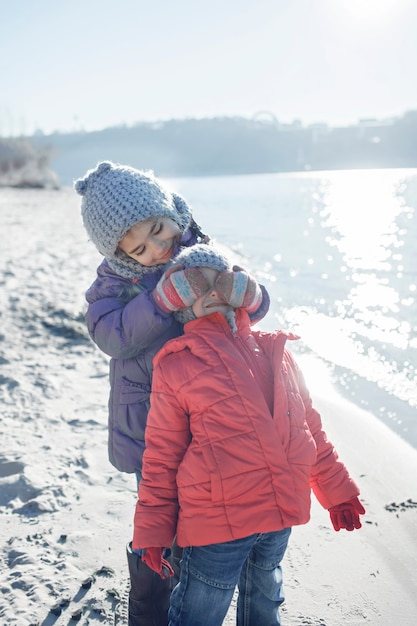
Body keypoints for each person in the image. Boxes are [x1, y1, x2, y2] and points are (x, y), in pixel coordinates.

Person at [74, 161, 270, 626]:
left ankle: (194, 593)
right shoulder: (113, 286)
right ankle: (148, 609)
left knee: (201, 514)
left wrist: (247, 294)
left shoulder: (202, 253)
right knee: (159, 515)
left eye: (160, 230)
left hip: (207, 416)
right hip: (148, 424)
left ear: (170, 212)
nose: (158, 248)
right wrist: (163, 300)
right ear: (121, 254)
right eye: (140, 248)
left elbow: (255, 309)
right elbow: (113, 337)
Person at [132, 244, 366, 626]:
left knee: (264, 604)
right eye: (196, 285)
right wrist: (153, 530)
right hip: (216, 528)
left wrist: (337, 490)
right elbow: (161, 455)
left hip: (279, 514)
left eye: (220, 282)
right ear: (180, 298)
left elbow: (310, 429)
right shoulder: (177, 363)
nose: (210, 293)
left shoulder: (277, 351)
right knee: (199, 612)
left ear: (239, 288)